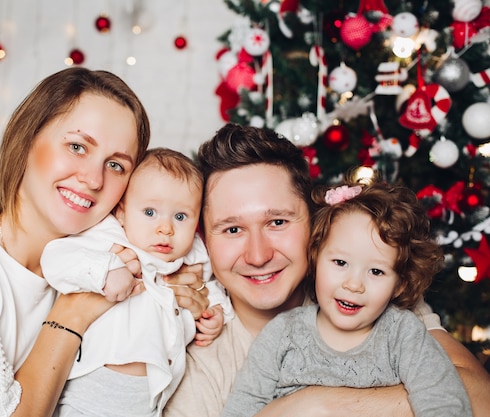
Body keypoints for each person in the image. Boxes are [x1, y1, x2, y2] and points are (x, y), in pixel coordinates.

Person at [0, 67, 210, 417]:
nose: (92, 179)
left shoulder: (101, 258)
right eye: (77, 146)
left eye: (116, 166)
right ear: (27, 139)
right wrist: (74, 313)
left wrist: (175, 291)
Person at [163, 123, 490, 417]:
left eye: (277, 222)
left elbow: (479, 397)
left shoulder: (359, 287)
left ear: (313, 220)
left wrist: (312, 406)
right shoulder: (192, 349)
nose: (258, 255)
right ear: (203, 240)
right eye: (232, 229)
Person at [222, 180, 472, 417]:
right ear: (316, 258)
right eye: (340, 262)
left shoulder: (403, 334)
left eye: (376, 271)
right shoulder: (282, 333)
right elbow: (242, 408)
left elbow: (445, 402)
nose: (353, 284)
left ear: (400, 284)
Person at [40, 147, 233, 417]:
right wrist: (104, 271)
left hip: (150, 395)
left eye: (180, 217)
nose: (165, 228)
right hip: (90, 387)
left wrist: (218, 311)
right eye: (150, 212)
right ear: (122, 212)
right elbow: (55, 258)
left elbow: (213, 285)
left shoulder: (194, 254)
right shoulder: (107, 237)